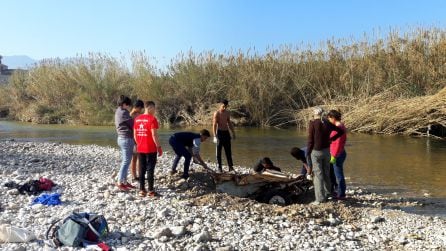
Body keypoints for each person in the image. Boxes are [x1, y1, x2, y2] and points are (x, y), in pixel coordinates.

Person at [307, 107, 344, 204]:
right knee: (326, 173)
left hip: (316, 152)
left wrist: (308, 152)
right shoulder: (327, 123)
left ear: (315, 114)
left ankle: (320, 199)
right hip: (327, 151)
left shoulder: (313, 124)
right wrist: (332, 139)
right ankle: (328, 193)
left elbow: (310, 140)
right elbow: (341, 131)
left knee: (318, 175)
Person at [133, 101, 162, 197]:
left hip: (140, 148)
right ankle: (151, 190)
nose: (155, 110)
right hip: (151, 149)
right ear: (150, 108)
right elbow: (154, 134)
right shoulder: (152, 119)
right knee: (150, 169)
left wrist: (138, 144)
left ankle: (141, 190)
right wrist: (159, 147)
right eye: (154, 108)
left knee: (141, 168)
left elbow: (135, 134)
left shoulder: (137, 119)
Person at [114, 95, 135, 191]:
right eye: (128, 105)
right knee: (126, 161)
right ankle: (119, 182)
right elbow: (133, 124)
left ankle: (124, 182)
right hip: (126, 139)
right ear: (124, 104)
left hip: (122, 138)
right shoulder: (123, 113)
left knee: (126, 161)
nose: (129, 107)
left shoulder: (118, 111)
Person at [327, 110, 348, 199]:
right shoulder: (341, 126)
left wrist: (334, 156)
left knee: (338, 175)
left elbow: (338, 143)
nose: (328, 120)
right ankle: (338, 191)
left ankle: (341, 194)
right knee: (336, 174)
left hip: (337, 154)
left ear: (333, 118)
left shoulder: (338, 128)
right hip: (340, 152)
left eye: (329, 118)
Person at [212, 99, 235, 173]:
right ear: (220, 104)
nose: (224, 108)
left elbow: (229, 123)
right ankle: (219, 168)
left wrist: (233, 133)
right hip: (219, 133)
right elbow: (214, 125)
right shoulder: (217, 113)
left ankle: (230, 167)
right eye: (223, 106)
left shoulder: (227, 113)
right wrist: (214, 136)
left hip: (226, 133)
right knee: (219, 152)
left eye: (226, 106)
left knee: (228, 151)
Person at [130, 100, 144, 181]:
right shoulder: (134, 115)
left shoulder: (130, 114)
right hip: (136, 138)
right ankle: (137, 175)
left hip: (134, 138)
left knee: (135, 158)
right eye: (141, 108)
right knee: (138, 157)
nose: (141, 110)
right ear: (138, 107)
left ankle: (135, 175)